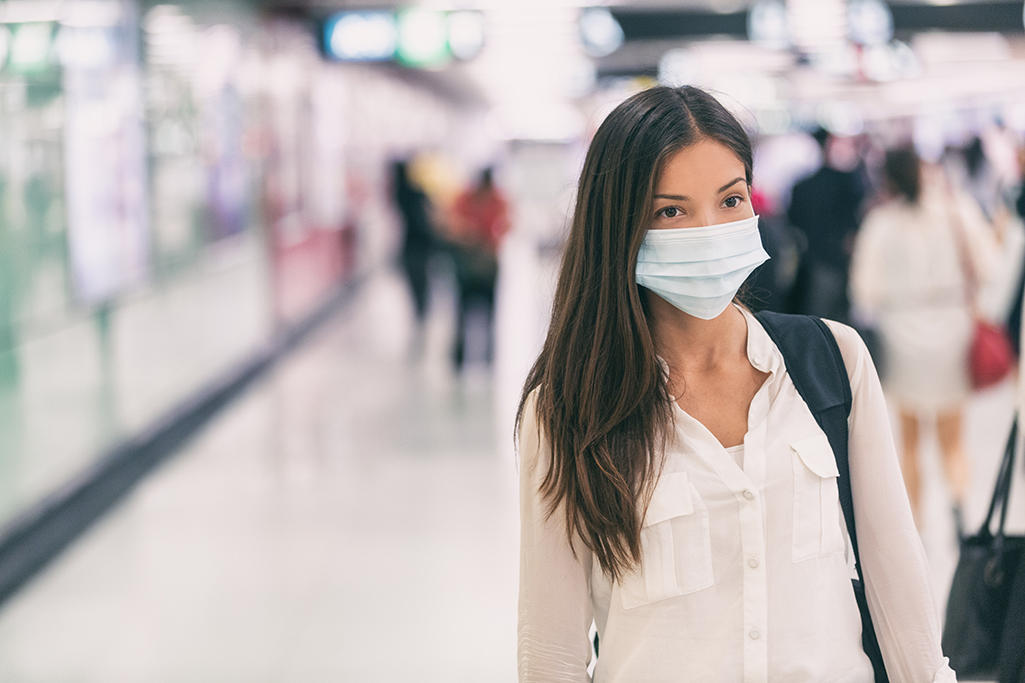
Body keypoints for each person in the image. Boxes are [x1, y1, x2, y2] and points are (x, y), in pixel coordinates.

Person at [516, 86, 955, 682]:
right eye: (671, 210)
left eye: (730, 199)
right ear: (619, 226)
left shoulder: (833, 363)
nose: (710, 229)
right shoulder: (570, 410)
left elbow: (897, 587)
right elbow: (552, 653)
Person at [849, 148, 998, 530]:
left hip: (902, 333)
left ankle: (915, 522)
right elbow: (987, 264)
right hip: (952, 325)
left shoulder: (880, 223)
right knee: (953, 435)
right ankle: (959, 503)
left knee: (910, 438)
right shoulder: (956, 210)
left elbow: (864, 289)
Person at [787, 128, 866, 322]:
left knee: (818, 321)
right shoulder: (847, 182)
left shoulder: (801, 187)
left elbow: (793, 222)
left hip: (812, 261)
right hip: (843, 260)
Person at [447, 167, 509, 371]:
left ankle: (489, 359)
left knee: (490, 313)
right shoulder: (465, 198)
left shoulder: (498, 199)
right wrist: (466, 234)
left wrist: (493, 240)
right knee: (462, 313)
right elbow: (451, 224)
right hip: (467, 263)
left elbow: (508, 223)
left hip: (489, 264)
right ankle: (459, 358)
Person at [391, 159, 436, 340]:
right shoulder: (417, 194)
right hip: (421, 245)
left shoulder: (399, 194)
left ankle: (420, 315)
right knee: (421, 282)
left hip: (410, 245)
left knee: (415, 282)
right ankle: (422, 314)